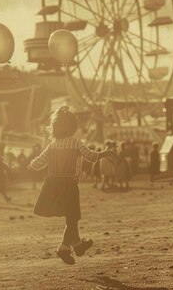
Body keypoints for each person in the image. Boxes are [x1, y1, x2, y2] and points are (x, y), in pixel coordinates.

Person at [28, 106, 114, 265]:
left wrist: (29, 165)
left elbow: (37, 163)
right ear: (73, 126)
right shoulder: (75, 143)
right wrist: (105, 153)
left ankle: (77, 245)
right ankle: (65, 246)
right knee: (72, 216)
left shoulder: (52, 145)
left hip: (52, 185)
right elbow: (91, 156)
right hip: (69, 184)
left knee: (71, 217)